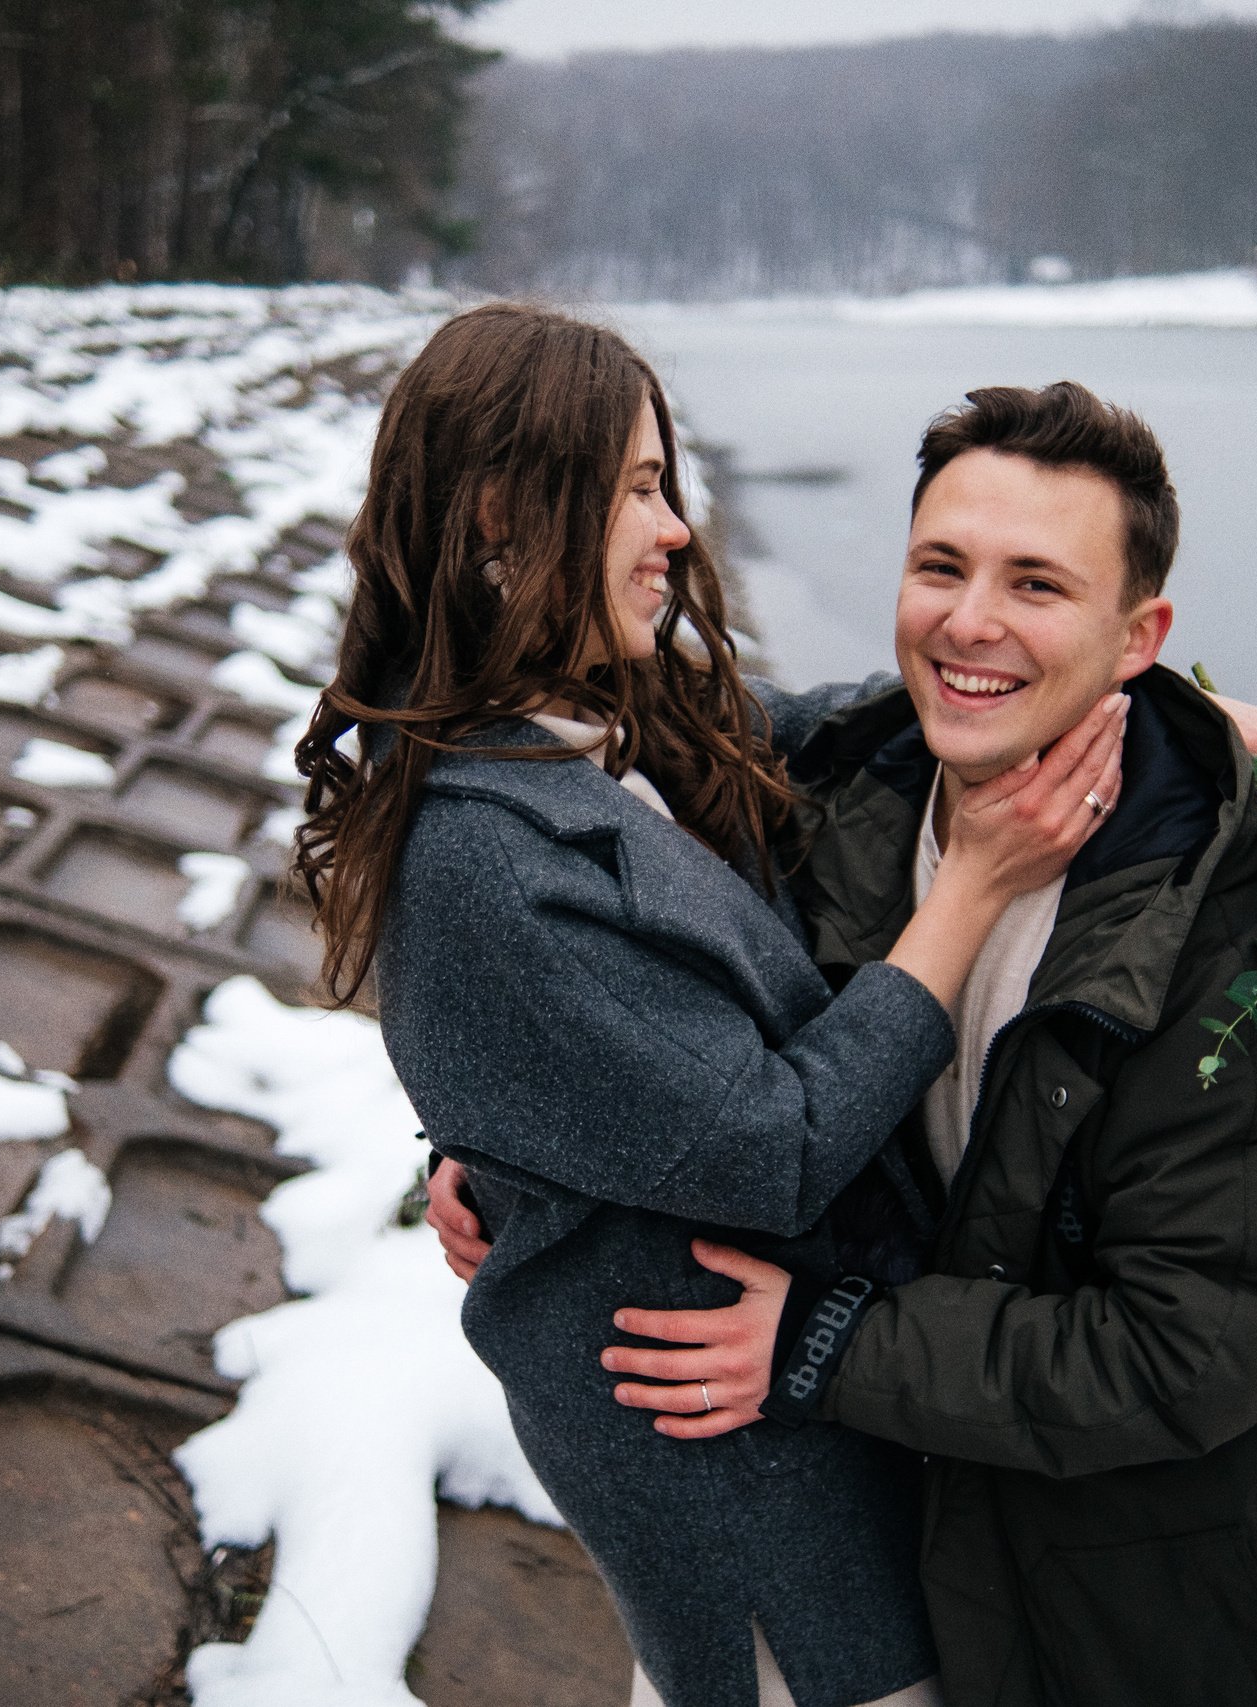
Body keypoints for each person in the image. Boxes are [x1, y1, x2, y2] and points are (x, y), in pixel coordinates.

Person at [430, 382, 1257, 1707]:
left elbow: (1188, 1353)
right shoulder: (837, 792)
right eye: (941, 566)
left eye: (1037, 585)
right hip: (895, 1556)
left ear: (1138, 638)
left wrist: (828, 1346)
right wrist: (510, 1153)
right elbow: (609, 989)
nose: (971, 621)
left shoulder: (1243, 927)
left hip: (1137, 1609)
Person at [289, 303, 1133, 1707]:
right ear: (505, 511)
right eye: (632, 489)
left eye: (660, 482)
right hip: (738, 1492)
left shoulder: (589, 718)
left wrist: (1128, 702)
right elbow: (773, 1146)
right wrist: (974, 892)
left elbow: (815, 733)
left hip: (786, 1426)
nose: (676, 527)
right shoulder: (483, 856)